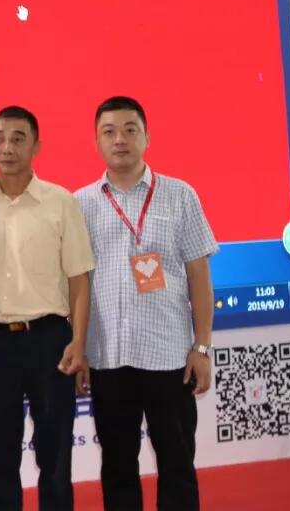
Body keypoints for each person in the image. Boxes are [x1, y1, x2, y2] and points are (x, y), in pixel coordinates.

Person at [76, 96, 216, 511]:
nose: (120, 139)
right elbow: (75, 283)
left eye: (129, 129)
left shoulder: (179, 195)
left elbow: (199, 276)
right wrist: (78, 347)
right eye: (109, 132)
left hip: (169, 356)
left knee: (177, 463)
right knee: (118, 467)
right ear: (97, 142)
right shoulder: (80, 203)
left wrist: (202, 347)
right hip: (108, 357)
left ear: (147, 137)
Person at [0, 106, 94, 511]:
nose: (7, 147)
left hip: (50, 340)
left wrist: (78, 342)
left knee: (55, 450)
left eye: (18, 139)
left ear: (36, 146)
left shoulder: (60, 202)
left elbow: (79, 278)